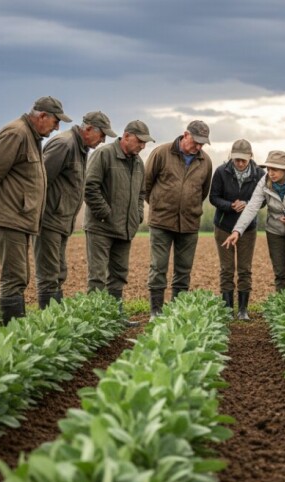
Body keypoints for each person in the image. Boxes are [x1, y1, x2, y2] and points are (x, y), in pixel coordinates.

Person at [0, 96, 71, 324]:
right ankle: (14, 335)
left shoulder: (31, 137)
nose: (57, 128)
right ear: (42, 116)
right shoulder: (16, 133)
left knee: (20, 275)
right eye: (55, 121)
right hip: (8, 216)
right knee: (14, 276)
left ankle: (18, 330)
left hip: (18, 217)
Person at [35, 111, 116, 310]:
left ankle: (54, 320)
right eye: (102, 134)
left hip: (61, 221)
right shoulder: (65, 144)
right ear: (88, 129)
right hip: (49, 220)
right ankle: (47, 324)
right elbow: (39, 182)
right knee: (49, 274)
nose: (103, 140)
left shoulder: (79, 148)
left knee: (58, 272)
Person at [84, 120, 155, 325]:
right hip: (100, 227)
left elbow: (141, 193)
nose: (142, 146)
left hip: (125, 229)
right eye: (140, 141)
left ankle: (115, 317)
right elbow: (89, 187)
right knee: (97, 276)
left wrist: (137, 215)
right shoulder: (104, 154)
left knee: (118, 274)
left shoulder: (139, 163)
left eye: (145, 143)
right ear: (126, 136)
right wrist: (106, 213)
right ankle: (95, 320)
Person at [144, 120, 213, 318]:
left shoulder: (205, 161)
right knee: (158, 267)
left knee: (183, 270)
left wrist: (188, 209)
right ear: (185, 135)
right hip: (161, 222)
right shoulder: (162, 153)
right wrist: (159, 206)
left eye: (202, 143)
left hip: (189, 224)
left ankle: (176, 311)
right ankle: (155, 311)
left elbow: (203, 192)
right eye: (196, 141)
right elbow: (146, 185)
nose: (198, 146)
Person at [222, 151, 285, 292]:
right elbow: (252, 207)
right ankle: (281, 308)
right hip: (275, 230)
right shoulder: (264, 182)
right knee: (279, 273)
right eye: (269, 169)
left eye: (275, 169)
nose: (270, 173)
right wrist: (237, 230)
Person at [209, 139, 264, 320]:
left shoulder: (260, 174)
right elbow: (213, 198)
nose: (239, 163)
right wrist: (230, 205)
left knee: (244, 269)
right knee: (226, 269)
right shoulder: (221, 172)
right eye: (236, 159)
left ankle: (242, 310)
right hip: (224, 226)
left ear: (251, 157)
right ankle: (227, 310)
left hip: (248, 229)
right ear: (231, 157)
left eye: (243, 160)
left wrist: (247, 204)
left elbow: (263, 199)